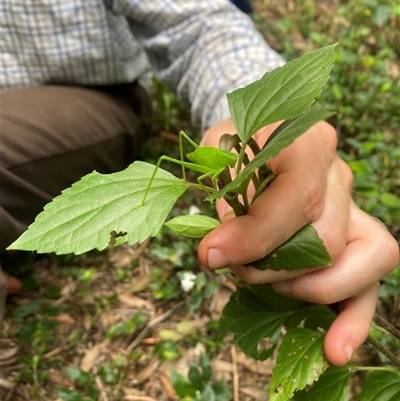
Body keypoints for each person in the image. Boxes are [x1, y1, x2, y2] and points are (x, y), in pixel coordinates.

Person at [1, 0, 398, 367]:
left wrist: (270, 122)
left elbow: (197, 21)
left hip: (93, 100)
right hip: (209, 167)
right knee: (166, 162)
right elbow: (175, 158)